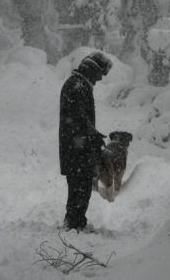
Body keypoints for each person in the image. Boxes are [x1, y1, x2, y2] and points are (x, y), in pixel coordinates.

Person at [58, 51, 112, 231]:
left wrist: (92, 136)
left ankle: (74, 221)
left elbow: (79, 120)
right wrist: (94, 137)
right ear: (91, 69)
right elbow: (79, 119)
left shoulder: (77, 83)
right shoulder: (79, 86)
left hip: (75, 147)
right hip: (77, 149)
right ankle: (74, 224)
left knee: (78, 186)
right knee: (80, 187)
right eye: (100, 74)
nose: (100, 79)